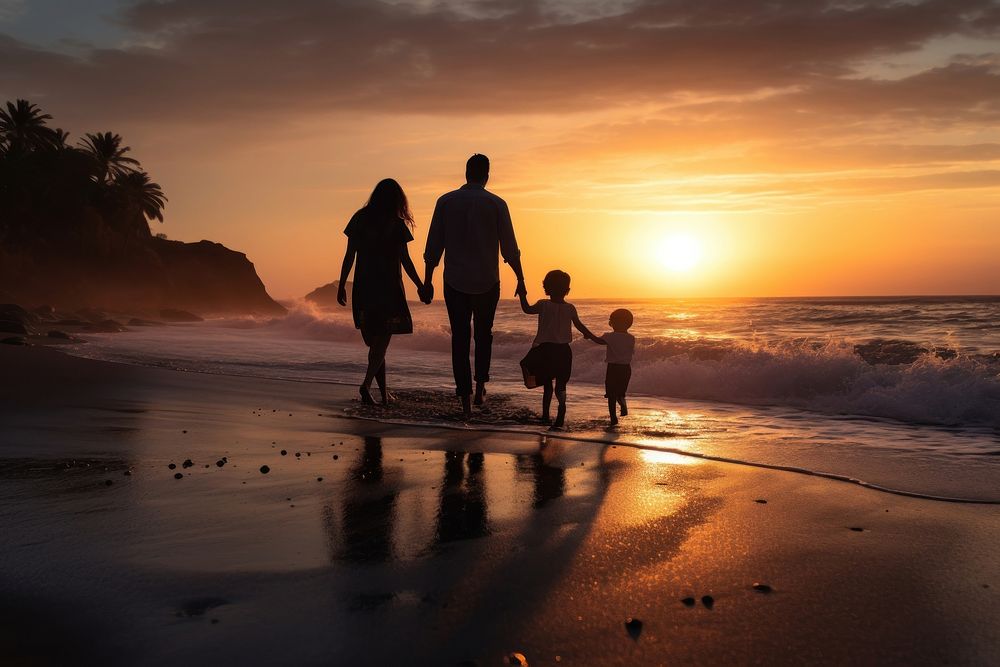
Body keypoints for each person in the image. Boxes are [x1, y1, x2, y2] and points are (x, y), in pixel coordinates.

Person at [421, 154, 526, 418]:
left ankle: (465, 402)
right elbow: (510, 248)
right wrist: (521, 279)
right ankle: (480, 387)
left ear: (466, 173)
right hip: (487, 281)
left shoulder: (445, 201)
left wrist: (427, 279)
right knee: (483, 335)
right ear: (487, 175)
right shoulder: (497, 204)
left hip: (454, 281)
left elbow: (434, 245)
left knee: (460, 338)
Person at [337, 178, 425, 405]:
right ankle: (366, 385)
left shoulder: (359, 218)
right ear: (397, 200)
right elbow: (406, 260)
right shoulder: (395, 224)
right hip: (388, 289)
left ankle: (384, 394)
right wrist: (420, 284)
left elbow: (349, 256)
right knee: (380, 342)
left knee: (376, 343)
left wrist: (341, 286)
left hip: (364, 288)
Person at [519, 270, 600, 430]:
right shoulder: (570, 308)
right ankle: (562, 406)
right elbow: (579, 325)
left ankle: (545, 415)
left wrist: (522, 293)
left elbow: (527, 309)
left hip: (545, 350)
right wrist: (594, 338)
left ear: (546, 288)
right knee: (561, 384)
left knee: (545, 382)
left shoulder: (543, 304)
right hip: (564, 351)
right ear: (567, 290)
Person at [589, 308, 636, 426]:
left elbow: (598, 341)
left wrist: (588, 334)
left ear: (613, 322)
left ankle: (613, 418)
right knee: (620, 392)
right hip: (626, 369)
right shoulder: (631, 338)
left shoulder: (610, 336)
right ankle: (623, 403)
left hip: (613, 368)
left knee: (611, 394)